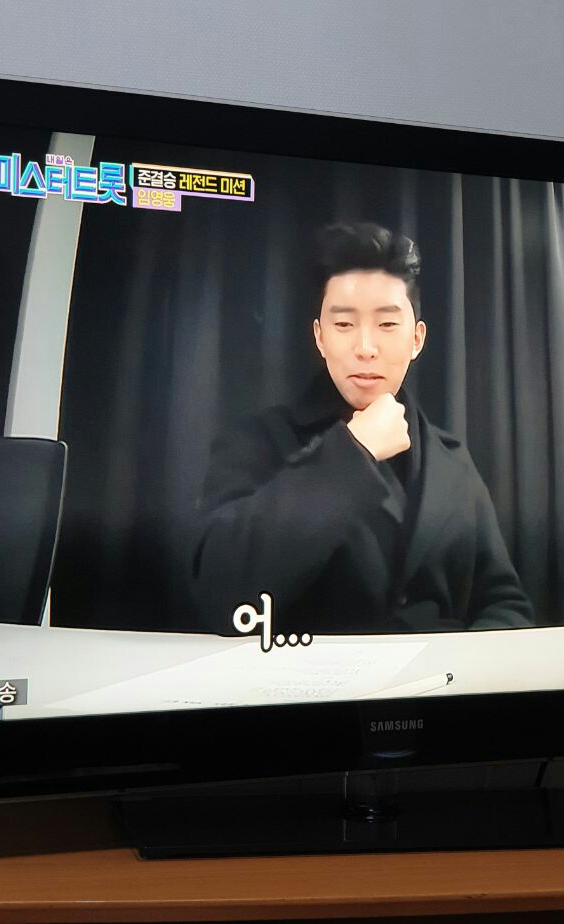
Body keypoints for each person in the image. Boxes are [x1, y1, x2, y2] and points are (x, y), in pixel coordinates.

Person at [190, 222, 532, 635]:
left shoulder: (453, 460)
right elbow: (219, 590)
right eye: (344, 325)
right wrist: (355, 452)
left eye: (387, 325)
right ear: (320, 337)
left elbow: (504, 602)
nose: (365, 348)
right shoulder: (257, 442)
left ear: (417, 339)